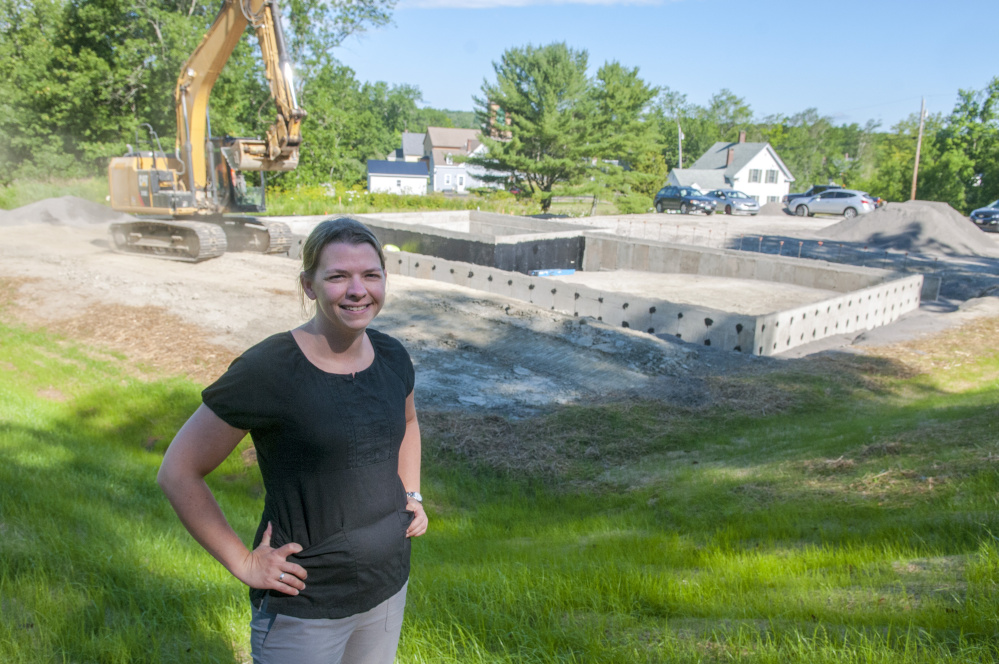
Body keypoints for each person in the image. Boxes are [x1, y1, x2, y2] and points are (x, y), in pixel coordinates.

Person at [157, 217, 427, 664]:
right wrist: (243, 563)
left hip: (387, 586)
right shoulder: (269, 370)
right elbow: (178, 471)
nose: (357, 289)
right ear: (309, 285)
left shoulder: (394, 357)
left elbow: (409, 422)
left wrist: (412, 492)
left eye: (370, 275)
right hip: (305, 605)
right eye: (338, 276)